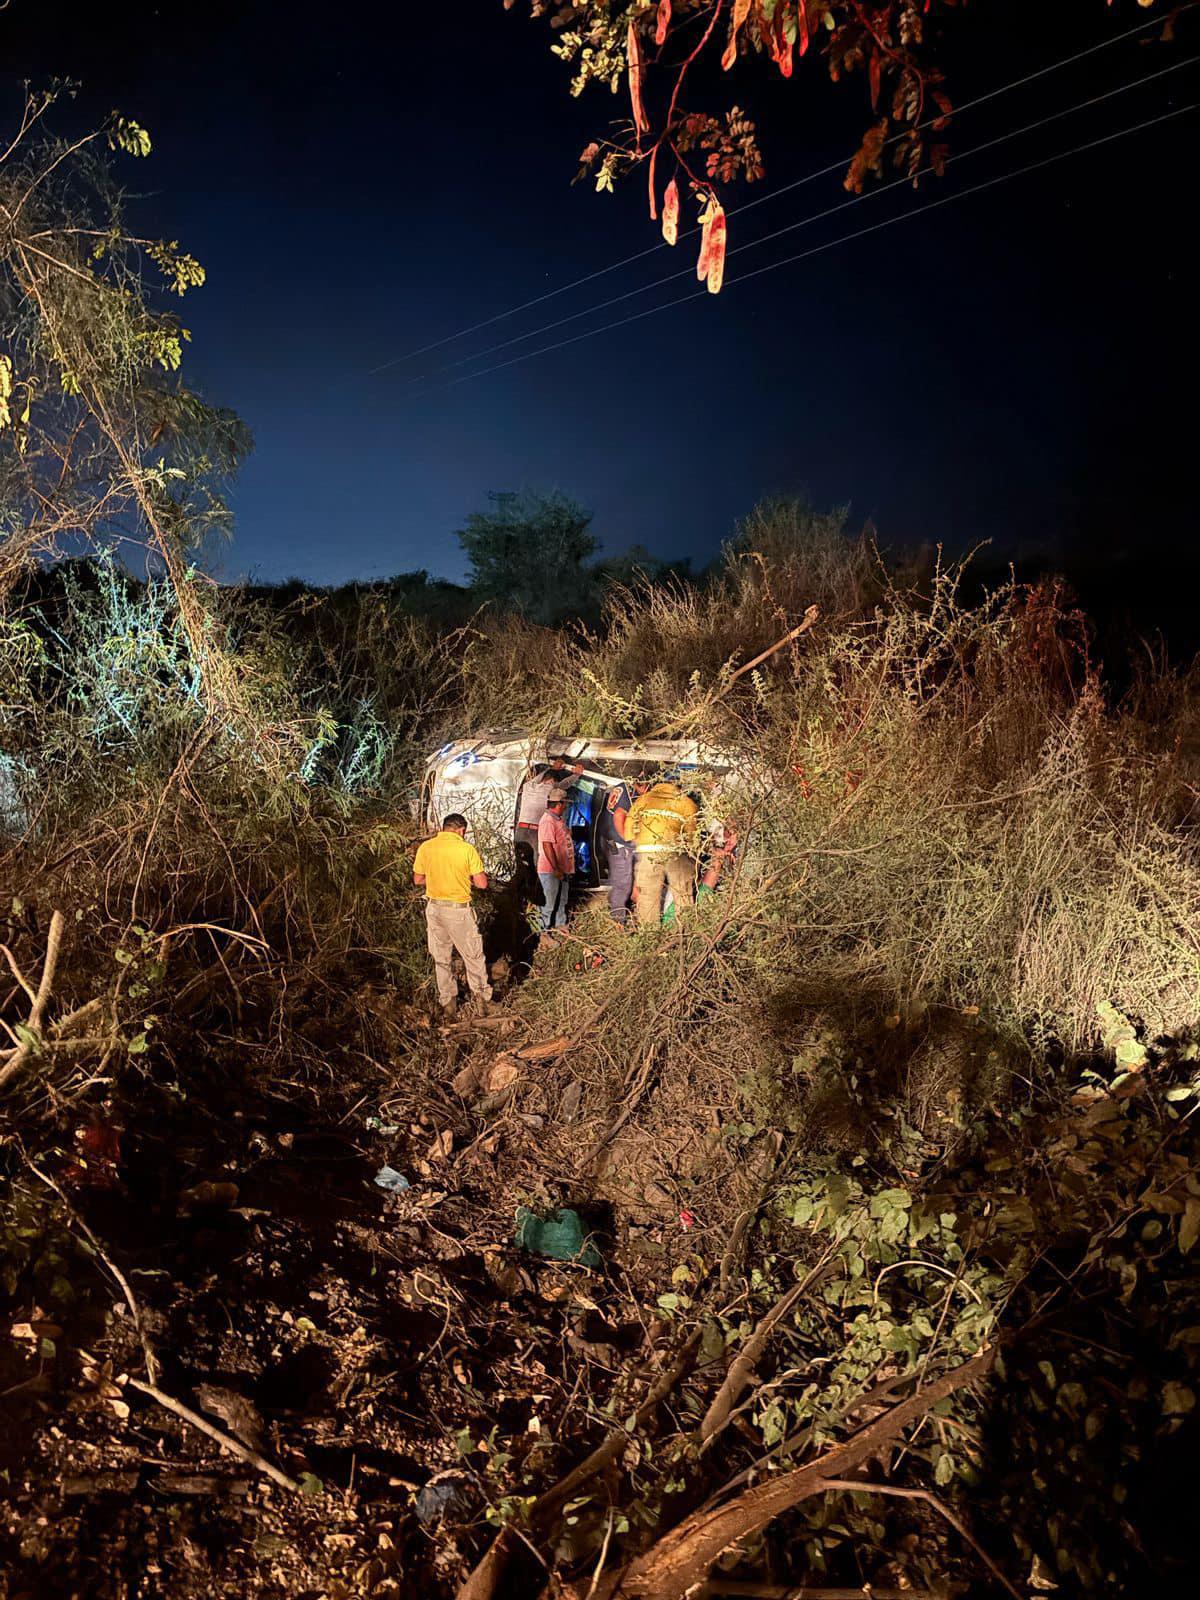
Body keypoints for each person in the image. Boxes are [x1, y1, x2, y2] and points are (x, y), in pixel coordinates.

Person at [412, 813, 493, 1019]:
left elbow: (418, 879)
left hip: (434, 909)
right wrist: (465, 879)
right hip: (458, 911)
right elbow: (482, 883)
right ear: (461, 830)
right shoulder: (466, 849)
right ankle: (482, 1002)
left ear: (444, 827)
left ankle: (448, 1005)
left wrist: (438, 879)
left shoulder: (426, 847)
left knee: (441, 958)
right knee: (472, 956)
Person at [626, 777, 698, 929]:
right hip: (675, 852)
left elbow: (629, 830)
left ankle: (649, 936)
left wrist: (640, 842)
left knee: (647, 896)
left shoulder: (643, 800)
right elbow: (693, 835)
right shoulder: (686, 802)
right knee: (682, 893)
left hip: (647, 852)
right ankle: (684, 934)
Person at [514, 757, 583, 886]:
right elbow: (565, 784)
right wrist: (577, 775)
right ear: (553, 781)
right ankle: (535, 893)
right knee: (535, 864)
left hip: (521, 830)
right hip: (535, 832)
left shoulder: (528, 786)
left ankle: (521, 890)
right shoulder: (551, 789)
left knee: (521, 863)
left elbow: (540, 777)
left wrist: (552, 768)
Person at [597, 772, 646, 925]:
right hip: (618, 841)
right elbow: (619, 815)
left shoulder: (621, 786)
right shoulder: (629, 792)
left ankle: (617, 907)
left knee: (621, 876)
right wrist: (628, 839)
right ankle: (618, 920)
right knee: (622, 881)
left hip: (609, 839)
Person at [535, 785, 574, 936]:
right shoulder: (548, 821)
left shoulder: (558, 820)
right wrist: (556, 868)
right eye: (565, 804)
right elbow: (547, 845)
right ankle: (542, 934)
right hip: (550, 870)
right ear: (559, 804)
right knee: (548, 904)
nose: (566, 807)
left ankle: (560, 925)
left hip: (562, 868)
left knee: (561, 900)